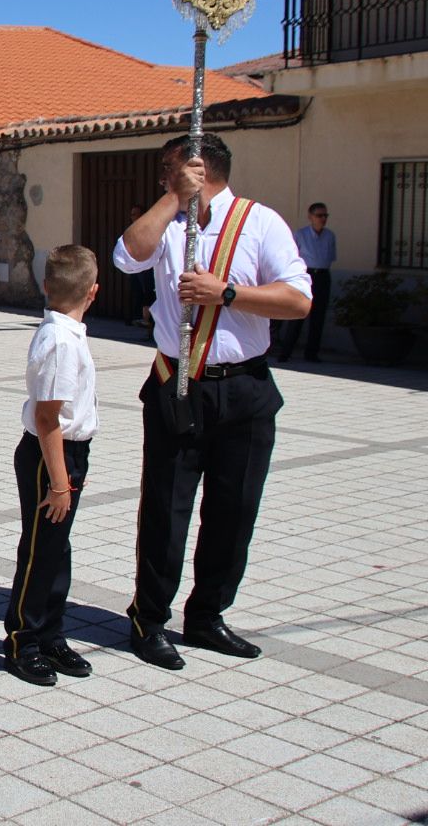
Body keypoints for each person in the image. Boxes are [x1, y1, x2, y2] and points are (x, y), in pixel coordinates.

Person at [113, 133, 310, 670]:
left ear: (202, 168)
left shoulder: (260, 222)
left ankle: (207, 615)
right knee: (166, 509)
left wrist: (227, 294)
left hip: (244, 386)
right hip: (178, 383)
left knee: (235, 509)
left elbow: (297, 299)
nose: (161, 179)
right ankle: (149, 618)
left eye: (168, 171)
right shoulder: (170, 225)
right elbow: (126, 255)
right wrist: (174, 198)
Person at [2, 245, 100, 686]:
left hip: (64, 453)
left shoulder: (67, 332)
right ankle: (23, 638)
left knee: (57, 548)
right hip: (50, 457)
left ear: (45, 286)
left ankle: (50, 632)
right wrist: (60, 483)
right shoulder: (60, 341)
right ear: (93, 292)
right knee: (41, 549)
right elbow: (47, 418)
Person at [277, 203, 336, 363]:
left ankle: (312, 353)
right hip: (307, 273)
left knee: (318, 317)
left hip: (323, 275)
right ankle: (286, 353)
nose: (323, 219)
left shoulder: (329, 236)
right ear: (310, 217)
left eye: (325, 216)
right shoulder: (300, 234)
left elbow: (330, 257)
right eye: (319, 215)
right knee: (298, 315)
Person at [124, 205, 156, 331]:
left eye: (135, 214)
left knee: (148, 293)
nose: (133, 217)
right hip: (135, 266)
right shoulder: (132, 229)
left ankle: (148, 321)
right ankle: (140, 318)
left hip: (147, 266)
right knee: (138, 292)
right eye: (132, 214)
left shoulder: (147, 228)